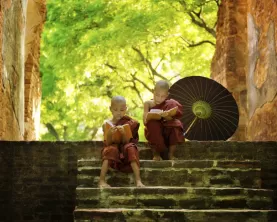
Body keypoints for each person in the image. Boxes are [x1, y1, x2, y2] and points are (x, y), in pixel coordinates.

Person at [99, 95, 144, 188]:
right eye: (115, 110)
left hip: (125, 147)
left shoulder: (129, 122)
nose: (119, 113)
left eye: (122, 110)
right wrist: (109, 134)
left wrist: (123, 133)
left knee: (131, 148)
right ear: (110, 109)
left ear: (126, 109)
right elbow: (107, 143)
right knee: (110, 149)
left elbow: (126, 141)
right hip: (113, 148)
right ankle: (101, 181)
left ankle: (138, 180)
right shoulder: (107, 124)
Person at [143, 80, 184, 161]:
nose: (159, 99)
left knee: (176, 124)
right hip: (155, 133)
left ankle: (171, 154)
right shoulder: (148, 103)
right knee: (152, 124)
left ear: (167, 95)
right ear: (153, 91)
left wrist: (166, 116)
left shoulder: (170, 103)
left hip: (167, 131)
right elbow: (145, 121)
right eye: (157, 95)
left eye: (162, 96)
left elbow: (172, 119)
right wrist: (152, 116)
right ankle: (156, 154)